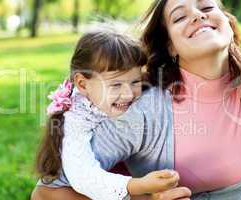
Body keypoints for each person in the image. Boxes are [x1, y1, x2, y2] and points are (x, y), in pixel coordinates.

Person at [32, 0, 241, 199]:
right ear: (170, 46)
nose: (198, 16)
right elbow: (46, 192)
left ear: (229, 24)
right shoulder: (141, 108)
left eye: (207, 7)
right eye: (179, 17)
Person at [35, 29, 181, 200]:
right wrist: (141, 185)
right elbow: (84, 177)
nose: (128, 94)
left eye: (135, 81)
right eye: (116, 85)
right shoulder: (76, 121)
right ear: (82, 84)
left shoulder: (106, 98)